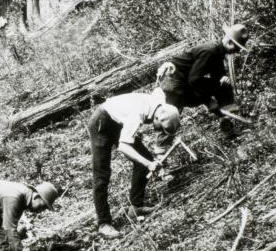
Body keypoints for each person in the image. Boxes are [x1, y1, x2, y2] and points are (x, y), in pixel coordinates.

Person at [88, 90, 181, 239]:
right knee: (101, 174)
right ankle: (104, 223)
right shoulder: (136, 116)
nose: (158, 130)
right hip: (102, 123)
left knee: (144, 158)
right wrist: (149, 164)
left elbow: (159, 90)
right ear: (157, 117)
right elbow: (123, 147)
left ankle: (135, 207)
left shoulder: (160, 104)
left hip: (117, 121)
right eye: (160, 127)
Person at [156, 23, 249, 134]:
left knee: (224, 87)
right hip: (174, 81)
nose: (237, 51)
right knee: (170, 116)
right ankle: (161, 150)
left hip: (188, 81)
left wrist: (222, 78)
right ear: (229, 43)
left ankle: (228, 127)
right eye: (237, 48)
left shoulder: (218, 52)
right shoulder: (210, 51)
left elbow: (216, 74)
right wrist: (208, 100)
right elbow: (194, 79)